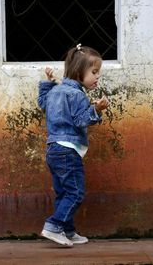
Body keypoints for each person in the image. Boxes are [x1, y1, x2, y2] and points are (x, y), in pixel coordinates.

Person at [37, 44, 109, 247]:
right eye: (94, 72)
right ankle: (54, 225)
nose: (97, 77)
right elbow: (80, 120)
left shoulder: (57, 91)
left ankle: (67, 231)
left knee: (63, 193)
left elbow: (43, 103)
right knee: (75, 193)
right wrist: (98, 109)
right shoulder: (77, 95)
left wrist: (49, 83)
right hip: (68, 151)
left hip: (53, 150)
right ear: (79, 72)